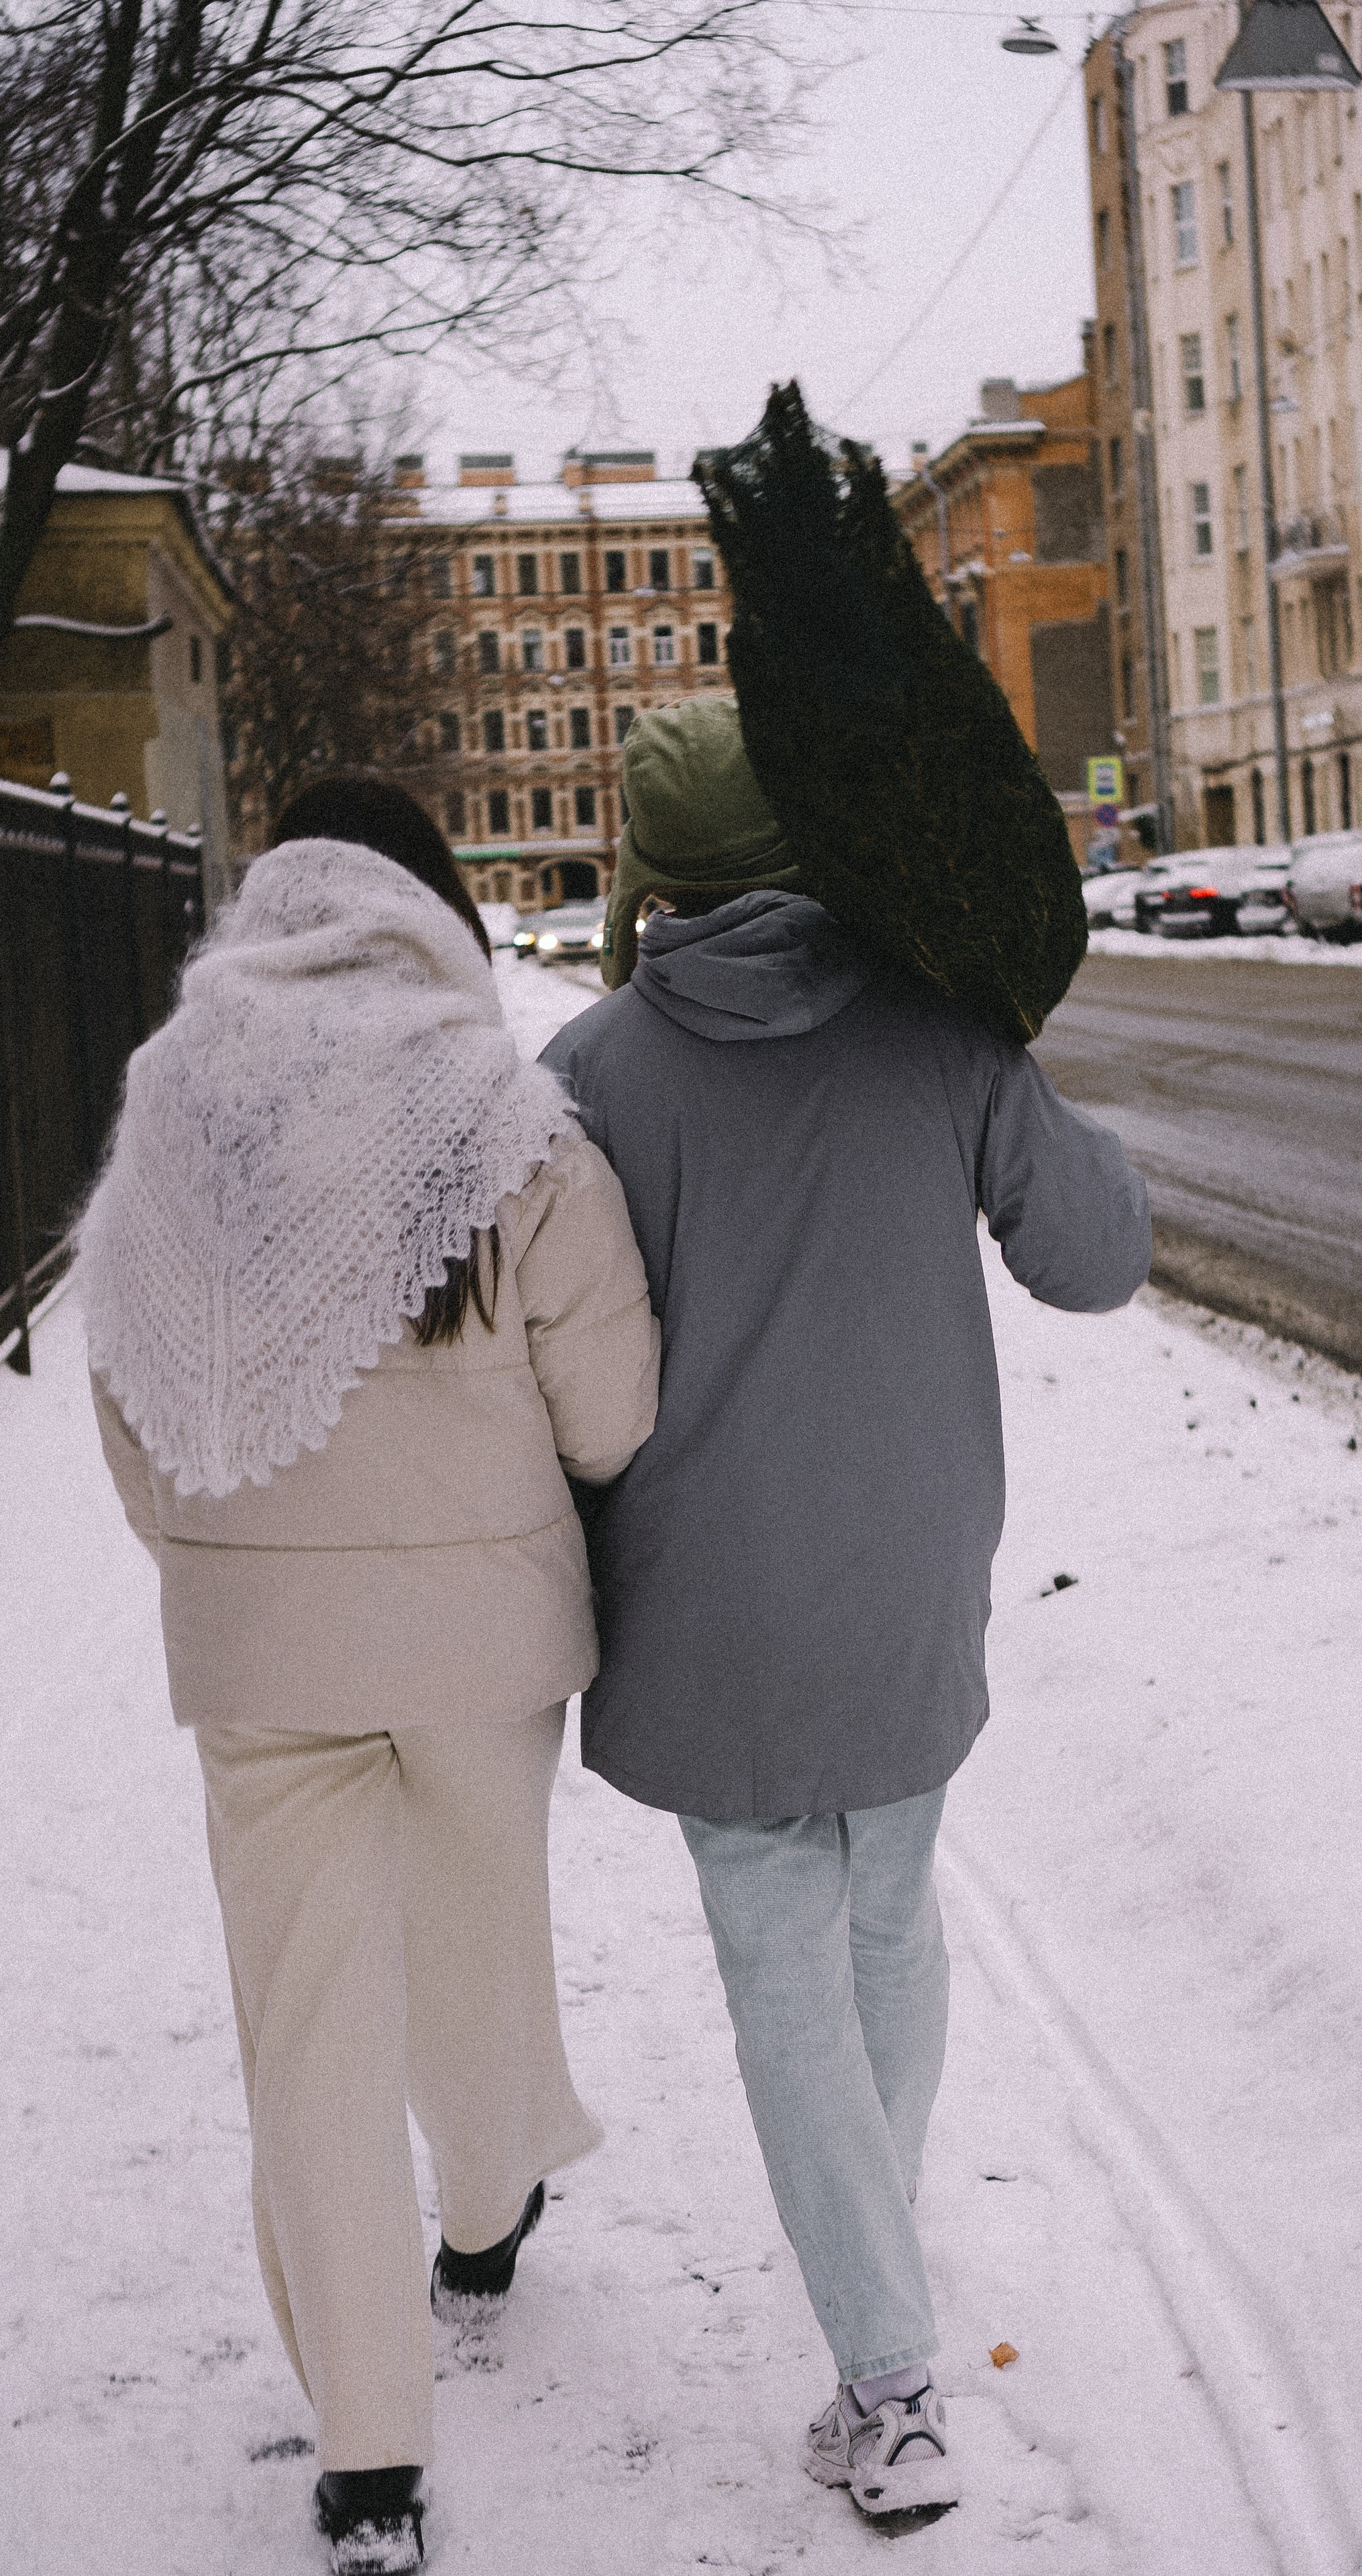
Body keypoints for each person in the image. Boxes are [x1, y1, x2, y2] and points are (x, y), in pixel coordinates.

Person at [541, 697, 1151, 2519]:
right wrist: (1010, 1054)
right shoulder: (941, 1024)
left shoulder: (590, 1073)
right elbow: (1097, 1257)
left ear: (658, 867)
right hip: (904, 1572)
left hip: (703, 1591)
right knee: (890, 1910)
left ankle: (886, 2382)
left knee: (782, 1965)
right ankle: (873, 2287)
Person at [80, 781, 659, 2576]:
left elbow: (128, 1384)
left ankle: (371, 2462)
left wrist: (218, 1562)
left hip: (260, 1651)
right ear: (430, 913)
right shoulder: (510, 1125)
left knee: (310, 2035)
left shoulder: (175, 1108)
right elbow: (615, 1416)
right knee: (481, 1935)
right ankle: (485, 2219)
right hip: (487, 1641)